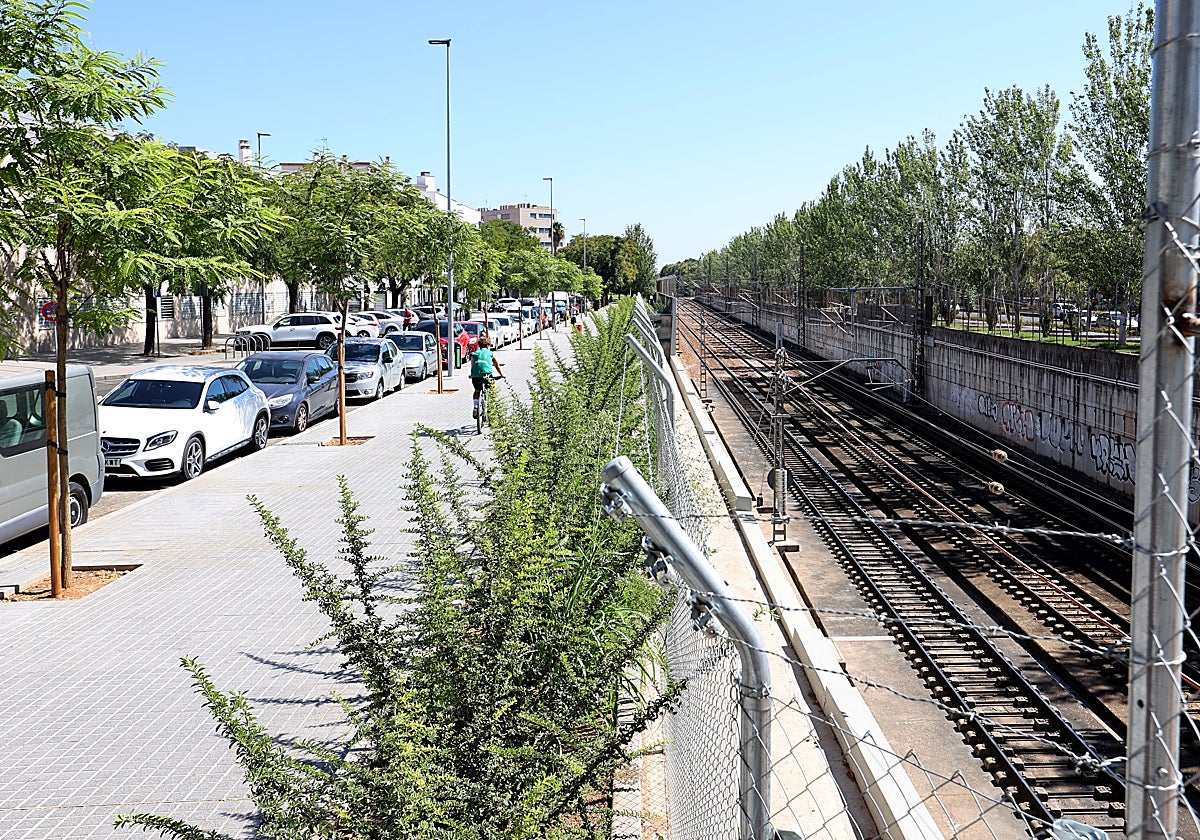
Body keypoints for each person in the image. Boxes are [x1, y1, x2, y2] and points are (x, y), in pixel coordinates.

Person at [470, 335, 504, 418]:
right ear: (488, 345)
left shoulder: (474, 354)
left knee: (477, 390)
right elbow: (497, 366)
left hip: (476, 376)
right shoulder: (491, 354)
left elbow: (472, 366)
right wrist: (502, 375)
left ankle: (475, 406)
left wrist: (471, 375)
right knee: (492, 390)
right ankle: (493, 407)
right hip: (487, 375)